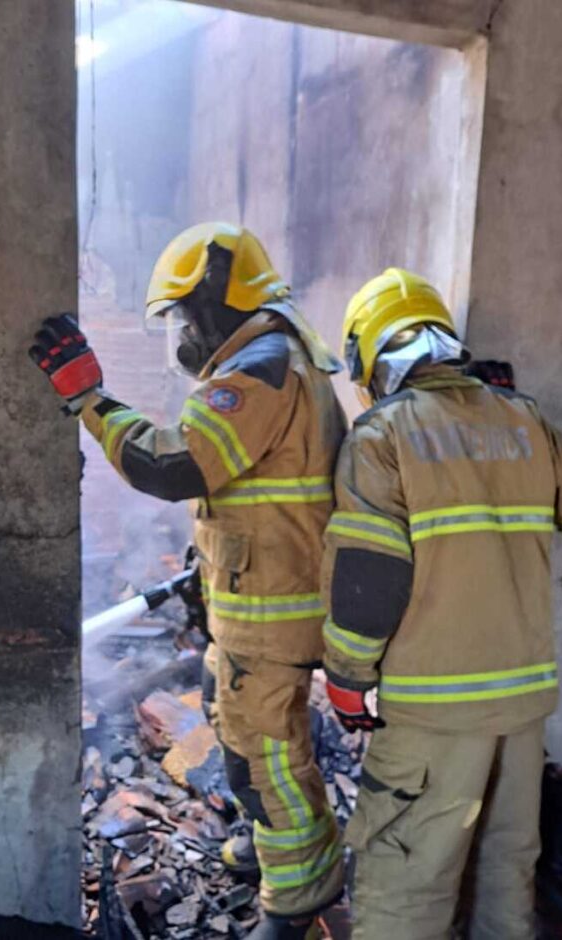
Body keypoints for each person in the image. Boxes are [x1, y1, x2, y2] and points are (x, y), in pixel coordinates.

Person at [30, 223, 348, 939]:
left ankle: (296, 900)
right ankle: (264, 847)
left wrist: (91, 399)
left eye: (183, 315)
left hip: (272, 613)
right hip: (261, 598)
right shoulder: (280, 355)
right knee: (231, 721)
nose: (181, 334)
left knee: (268, 753)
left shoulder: (259, 368)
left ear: (216, 303)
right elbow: (256, 490)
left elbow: (173, 465)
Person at [320, 268, 562, 940]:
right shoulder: (523, 418)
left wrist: (345, 677)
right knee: (505, 871)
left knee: (408, 884)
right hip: (523, 704)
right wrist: (516, 417)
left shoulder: (381, 437)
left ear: (372, 358)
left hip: (434, 712)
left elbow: (369, 580)